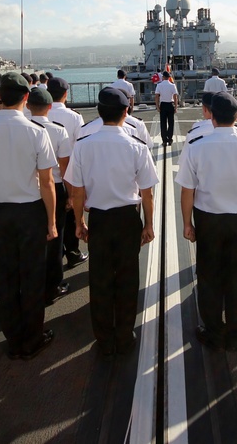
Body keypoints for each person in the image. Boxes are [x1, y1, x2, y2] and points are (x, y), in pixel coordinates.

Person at [0, 73, 57, 360]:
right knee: (32, 277)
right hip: (30, 211)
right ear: (25, 98)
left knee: (6, 278)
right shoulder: (36, 132)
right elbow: (46, 183)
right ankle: (32, 338)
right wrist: (51, 221)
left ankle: (13, 338)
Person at [65, 87, 158, 355]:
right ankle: (125, 335)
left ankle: (104, 338)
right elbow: (147, 192)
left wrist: (79, 222)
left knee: (100, 278)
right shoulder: (136, 146)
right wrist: (149, 224)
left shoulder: (83, 146)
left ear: (99, 112)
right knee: (128, 278)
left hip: (100, 219)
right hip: (128, 218)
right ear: (126, 112)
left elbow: (77, 191)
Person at [178, 92, 237, 351]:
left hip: (208, 221)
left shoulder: (196, 146)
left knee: (209, 276)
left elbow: (187, 191)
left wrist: (187, 223)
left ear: (211, 117)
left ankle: (212, 330)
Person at [26, 87, 73, 306]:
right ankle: (54, 285)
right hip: (54, 186)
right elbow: (65, 168)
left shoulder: (24, 129)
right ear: (49, 107)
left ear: (28, 105)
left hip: (30, 191)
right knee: (56, 238)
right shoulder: (58, 130)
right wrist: (71, 195)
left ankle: (34, 284)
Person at [47, 78, 88, 268]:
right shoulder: (74, 117)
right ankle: (73, 252)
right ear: (65, 94)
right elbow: (80, 146)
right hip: (68, 173)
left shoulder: (35, 113)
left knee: (49, 220)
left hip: (43, 177)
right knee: (70, 217)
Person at [154, 71, 179, 146]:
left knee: (163, 123)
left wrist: (157, 106)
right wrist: (176, 107)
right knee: (171, 123)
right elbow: (175, 97)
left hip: (163, 105)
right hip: (170, 104)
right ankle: (170, 138)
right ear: (169, 77)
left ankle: (164, 140)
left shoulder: (159, 85)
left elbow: (156, 96)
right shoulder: (172, 85)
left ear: (163, 77)